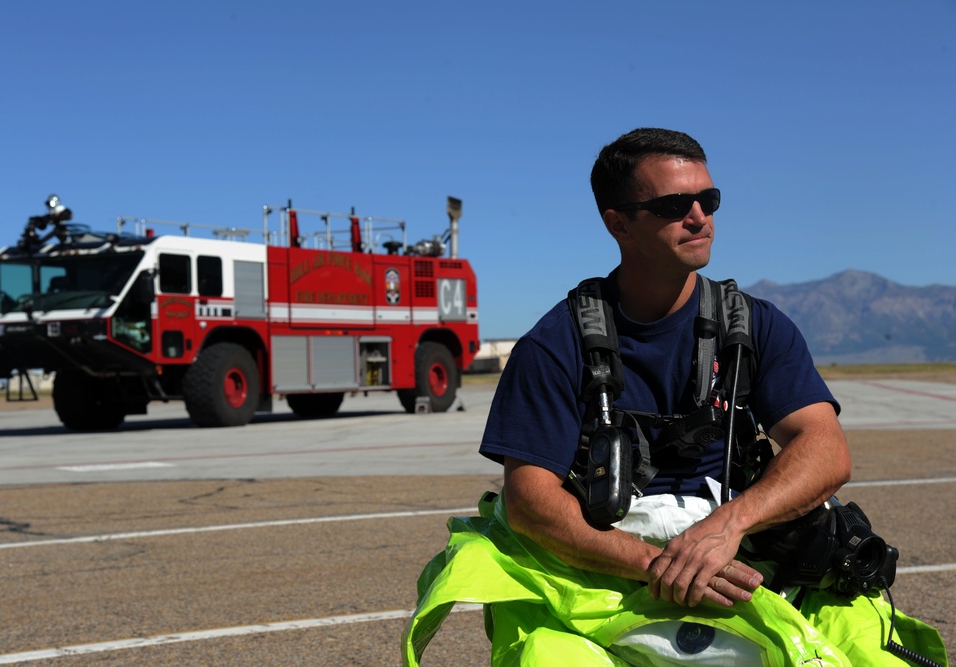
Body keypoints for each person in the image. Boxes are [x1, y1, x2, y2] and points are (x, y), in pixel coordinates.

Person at [403, 128, 949, 667]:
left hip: (738, 547)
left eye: (707, 199)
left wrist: (727, 527)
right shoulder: (553, 345)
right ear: (618, 223)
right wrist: (660, 564)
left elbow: (827, 451)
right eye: (673, 204)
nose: (699, 216)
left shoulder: (757, 327)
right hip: (607, 564)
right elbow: (529, 503)